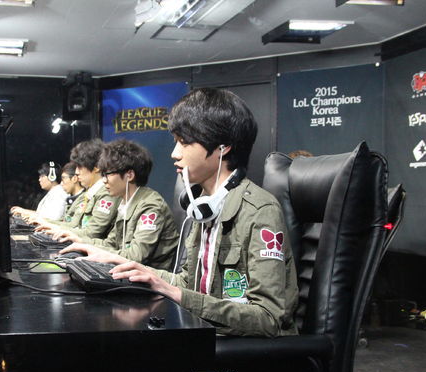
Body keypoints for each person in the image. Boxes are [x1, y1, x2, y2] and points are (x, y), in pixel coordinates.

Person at [64, 88, 298, 338]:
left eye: (185, 142)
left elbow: (268, 319)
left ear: (223, 147)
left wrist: (175, 294)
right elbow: (188, 284)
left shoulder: (260, 211)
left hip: (245, 352)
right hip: (203, 337)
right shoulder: (203, 207)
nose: (175, 153)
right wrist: (127, 266)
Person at [59, 139, 179, 270]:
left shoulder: (150, 207)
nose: (104, 180)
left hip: (149, 277)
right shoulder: (126, 202)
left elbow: (135, 256)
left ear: (129, 175)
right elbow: (111, 243)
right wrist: (82, 242)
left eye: (107, 174)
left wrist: (94, 251)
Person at [35, 139, 119, 240]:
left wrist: (54, 227)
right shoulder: (88, 194)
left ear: (96, 167)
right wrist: (46, 223)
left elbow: (91, 233)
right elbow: (72, 224)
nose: (76, 172)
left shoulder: (107, 194)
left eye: (80, 167)